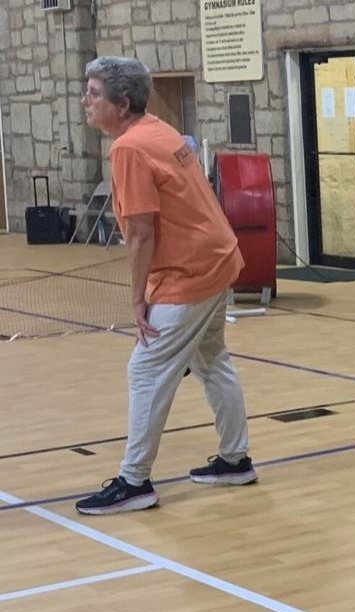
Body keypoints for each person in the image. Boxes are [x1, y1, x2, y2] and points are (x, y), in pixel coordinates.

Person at [75, 56, 256, 515]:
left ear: (122, 102)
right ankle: (235, 459)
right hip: (218, 259)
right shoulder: (159, 128)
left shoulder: (130, 149)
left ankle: (135, 482)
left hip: (190, 274)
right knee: (212, 358)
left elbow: (140, 233)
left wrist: (138, 299)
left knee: (145, 370)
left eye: (94, 94)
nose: (85, 101)